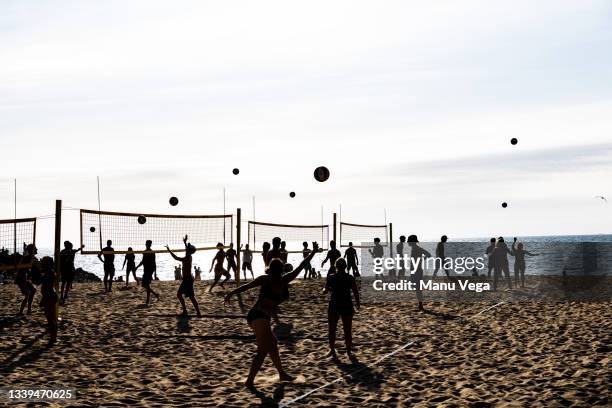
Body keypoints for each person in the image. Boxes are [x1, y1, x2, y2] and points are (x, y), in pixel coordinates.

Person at [224, 242, 320, 387]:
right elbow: (247, 286)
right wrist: (231, 293)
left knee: (273, 344)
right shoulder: (267, 279)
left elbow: (301, 265)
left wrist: (312, 253)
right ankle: (250, 381)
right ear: (278, 270)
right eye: (278, 270)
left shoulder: (284, 279)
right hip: (257, 315)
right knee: (262, 350)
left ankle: (281, 373)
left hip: (262, 316)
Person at [323, 258, 360, 360]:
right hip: (346, 304)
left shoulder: (331, 277)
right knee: (347, 330)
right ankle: (348, 351)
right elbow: (355, 291)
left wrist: (325, 290)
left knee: (332, 329)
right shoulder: (349, 277)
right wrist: (358, 303)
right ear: (345, 267)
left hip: (334, 305)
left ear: (336, 267)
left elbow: (325, 290)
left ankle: (332, 349)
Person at [167, 235, 202, 317]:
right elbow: (187, 249)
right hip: (188, 279)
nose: (186, 248)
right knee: (189, 296)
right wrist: (185, 242)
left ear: (189, 251)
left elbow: (176, 257)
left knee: (184, 295)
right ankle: (196, 312)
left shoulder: (187, 258)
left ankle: (190, 312)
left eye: (188, 248)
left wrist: (169, 250)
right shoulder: (189, 255)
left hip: (188, 279)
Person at [407, 235, 430, 311]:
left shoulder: (417, 249)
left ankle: (420, 305)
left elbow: (428, 255)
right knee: (417, 288)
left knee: (418, 288)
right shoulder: (415, 248)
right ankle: (420, 304)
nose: (408, 242)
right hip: (416, 270)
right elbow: (428, 255)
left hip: (417, 270)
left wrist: (421, 260)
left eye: (409, 241)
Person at [39, 256, 58, 345]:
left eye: (43, 262)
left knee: (51, 319)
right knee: (50, 319)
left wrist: (44, 299)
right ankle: (53, 338)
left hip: (49, 297)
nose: (41, 263)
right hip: (49, 296)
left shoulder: (49, 273)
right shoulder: (48, 272)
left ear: (47, 264)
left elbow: (47, 288)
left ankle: (53, 339)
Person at [135, 240, 159, 305]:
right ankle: (155, 294)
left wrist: (155, 272)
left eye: (147, 244)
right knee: (144, 285)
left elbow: (154, 262)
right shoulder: (145, 252)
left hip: (149, 270)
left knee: (146, 285)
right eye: (146, 244)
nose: (146, 245)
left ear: (149, 245)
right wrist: (137, 267)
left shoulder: (152, 252)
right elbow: (143, 261)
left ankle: (148, 301)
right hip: (146, 270)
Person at [15, 244, 38, 315]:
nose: (37, 249)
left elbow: (27, 268)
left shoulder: (30, 257)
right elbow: (21, 268)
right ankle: (21, 311)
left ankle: (29, 309)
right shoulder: (28, 258)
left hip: (24, 277)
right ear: (31, 250)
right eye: (35, 248)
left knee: (33, 290)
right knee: (27, 294)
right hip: (21, 278)